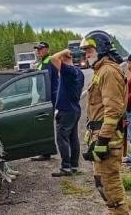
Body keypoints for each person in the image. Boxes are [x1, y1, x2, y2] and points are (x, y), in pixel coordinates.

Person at [80, 30, 129, 215]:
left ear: (100, 49)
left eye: (89, 50)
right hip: (101, 137)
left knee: (112, 189)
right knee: (102, 184)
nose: (86, 55)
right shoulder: (101, 70)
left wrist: (102, 141)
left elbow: (113, 111)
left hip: (108, 141)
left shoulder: (108, 71)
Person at [49, 49, 84, 177]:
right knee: (73, 138)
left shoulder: (68, 71)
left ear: (64, 59)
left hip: (66, 111)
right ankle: (74, 166)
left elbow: (53, 58)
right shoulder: (79, 72)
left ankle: (66, 167)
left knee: (62, 138)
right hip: (74, 109)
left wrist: (64, 51)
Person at [31, 41, 59, 161]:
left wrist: (44, 99)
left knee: (45, 124)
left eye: (40, 49)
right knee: (45, 124)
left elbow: (47, 80)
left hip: (49, 97)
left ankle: (46, 152)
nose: (38, 51)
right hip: (46, 96)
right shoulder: (42, 62)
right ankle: (46, 151)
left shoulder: (48, 61)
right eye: (37, 49)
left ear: (47, 49)